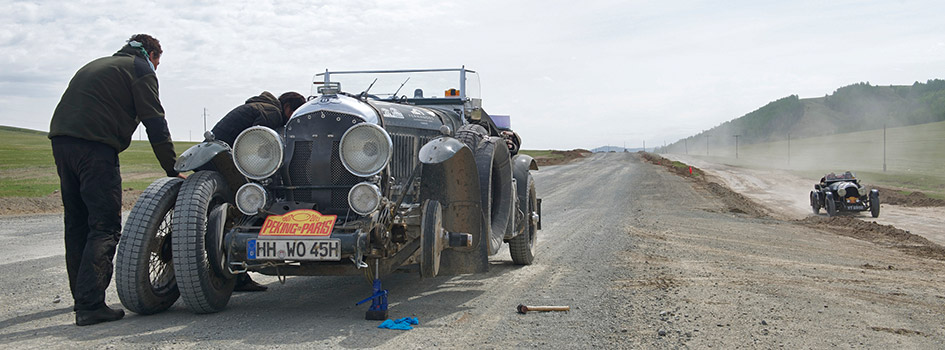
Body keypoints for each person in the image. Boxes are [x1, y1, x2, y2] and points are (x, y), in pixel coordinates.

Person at [49, 34, 183, 326]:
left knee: (77, 223)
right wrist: (172, 167)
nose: (157, 69)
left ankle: (81, 296)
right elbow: (155, 121)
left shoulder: (99, 64)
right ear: (151, 53)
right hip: (95, 147)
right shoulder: (140, 69)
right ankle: (90, 306)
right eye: (158, 62)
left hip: (62, 142)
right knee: (105, 226)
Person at [209, 91, 306, 292]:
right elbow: (257, 145)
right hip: (223, 161)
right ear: (288, 108)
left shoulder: (260, 107)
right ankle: (238, 276)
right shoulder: (272, 113)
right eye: (294, 114)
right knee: (245, 209)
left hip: (214, 156)